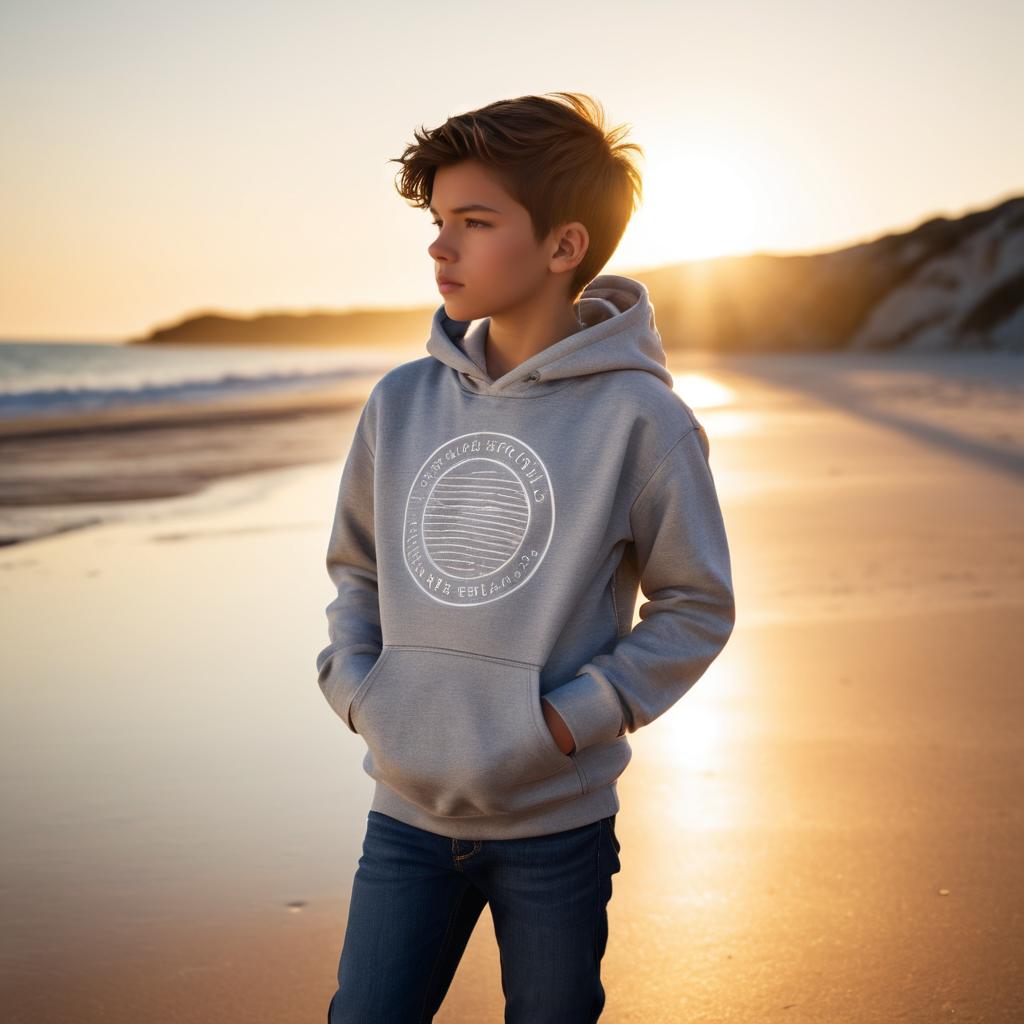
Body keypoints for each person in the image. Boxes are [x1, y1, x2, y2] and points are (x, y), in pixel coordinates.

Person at [316, 91, 736, 1023]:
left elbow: (696, 605)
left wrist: (568, 722)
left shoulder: (642, 420)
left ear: (563, 246)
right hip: (407, 817)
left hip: (557, 828)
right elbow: (359, 568)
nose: (440, 247)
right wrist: (355, 689)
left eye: (474, 221)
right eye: (438, 222)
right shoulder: (401, 402)